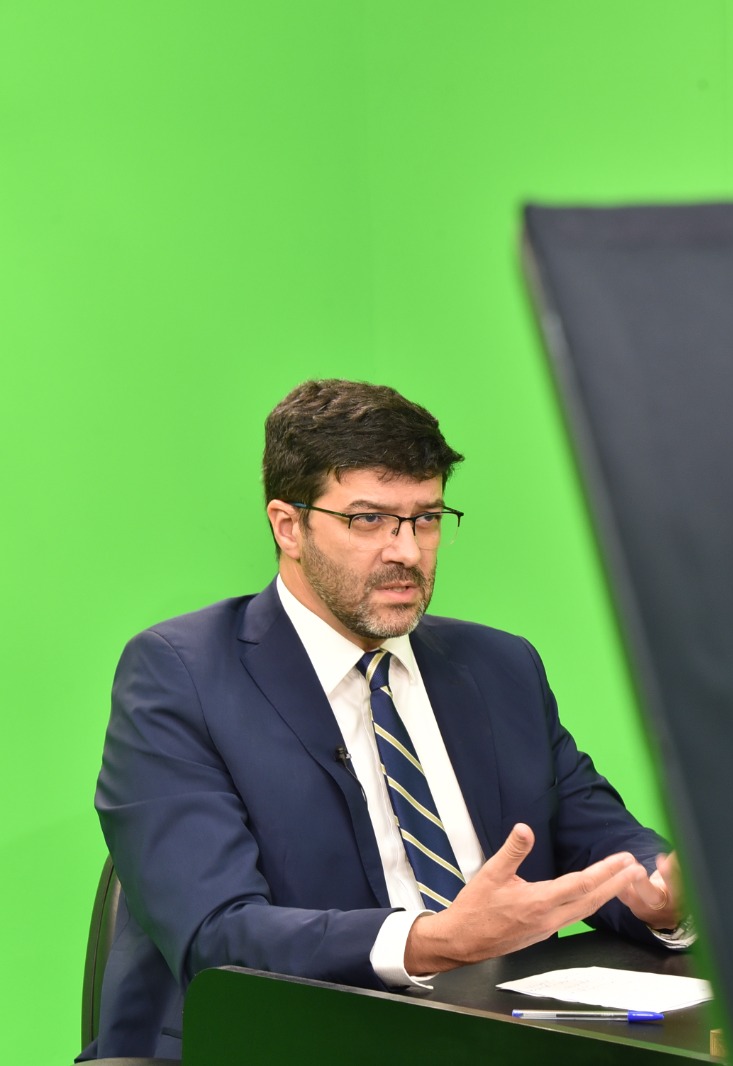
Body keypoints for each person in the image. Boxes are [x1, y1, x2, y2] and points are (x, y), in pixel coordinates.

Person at [86, 379, 690, 1061]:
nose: (406, 551)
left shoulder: (500, 667)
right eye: (369, 519)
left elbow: (604, 845)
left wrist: (662, 896)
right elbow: (217, 936)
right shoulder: (180, 675)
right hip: (281, 1042)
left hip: (498, 1037)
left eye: (426, 518)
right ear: (287, 524)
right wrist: (431, 941)